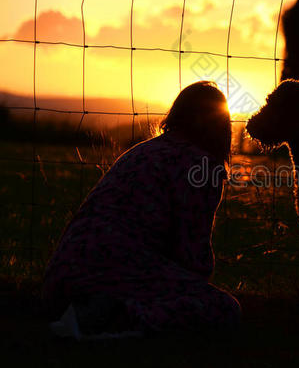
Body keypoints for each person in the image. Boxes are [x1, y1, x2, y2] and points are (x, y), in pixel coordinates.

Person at [42, 81, 240, 337]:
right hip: (117, 276)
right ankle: (115, 318)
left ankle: (94, 312)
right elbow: (192, 255)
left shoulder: (142, 151)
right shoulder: (202, 166)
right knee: (225, 309)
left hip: (59, 282)